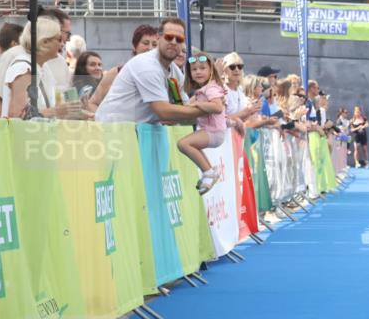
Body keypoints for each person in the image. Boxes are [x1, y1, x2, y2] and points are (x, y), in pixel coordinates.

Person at [95, 18, 204, 125]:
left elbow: (184, 111)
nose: (174, 42)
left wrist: (208, 96)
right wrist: (206, 110)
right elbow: (164, 111)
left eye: (179, 39)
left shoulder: (176, 72)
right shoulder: (147, 65)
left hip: (136, 131)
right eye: (169, 37)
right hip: (111, 130)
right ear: (158, 38)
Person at [0, 16, 85, 120]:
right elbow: (17, 114)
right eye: (59, 39)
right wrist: (57, 110)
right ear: (44, 41)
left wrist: (74, 112)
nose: (62, 44)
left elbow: (43, 111)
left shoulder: (42, 67)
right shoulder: (23, 68)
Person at [177, 50, 227, 194]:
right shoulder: (203, 90)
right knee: (190, 145)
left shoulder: (210, 88)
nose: (198, 72)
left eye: (202, 68)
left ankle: (208, 172)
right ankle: (209, 171)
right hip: (212, 131)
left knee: (183, 144)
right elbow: (186, 107)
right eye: (194, 69)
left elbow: (217, 107)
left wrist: (198, 105)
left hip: (213, 132)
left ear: (211, 70)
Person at [88, 24, 158, 110]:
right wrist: (103, 119)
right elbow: (92, 103)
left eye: (154, 45)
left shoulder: (163, 75)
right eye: (145, 43)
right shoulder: (117, 72)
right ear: (134, 47)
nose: (150, 48)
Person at [221, 52, 260, 134]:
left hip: (238, 138)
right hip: (224, 138)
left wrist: (251, 112)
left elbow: (243, 119)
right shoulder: (221, 90)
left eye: (240, 66)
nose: (236, 69)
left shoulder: (240, 90)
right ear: (224, 69)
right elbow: (220, 119)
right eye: (232, 67)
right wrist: (246, 112)